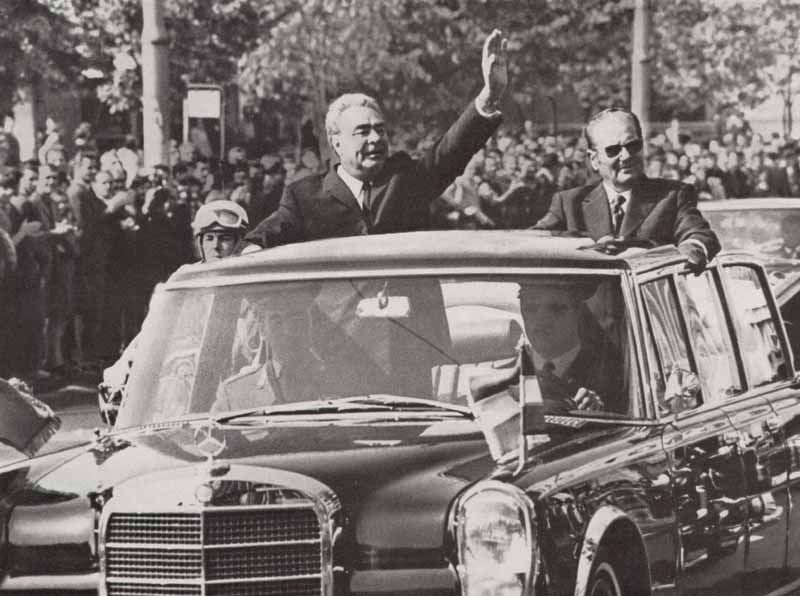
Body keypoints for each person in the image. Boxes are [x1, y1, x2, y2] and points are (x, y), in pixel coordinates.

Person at [244, 29, 508, 248]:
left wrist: (489, 96)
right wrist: (250, 250)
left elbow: (450, 152)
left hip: (408, 298)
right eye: (362, 131)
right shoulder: (303, 197)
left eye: (380, 130)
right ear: (336, 143)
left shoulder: (405, 180)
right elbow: (259, 242)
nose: (376, 139)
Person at [533, 107, 720, 274]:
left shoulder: (673, 195)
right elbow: (532, 242)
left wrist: (688, 252)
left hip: (649, 300)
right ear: (594, 160)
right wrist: (585, 247)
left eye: (633, 146)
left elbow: (699, 235)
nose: (626, 155)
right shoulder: (568, 203)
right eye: (613, 150)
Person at [518, 279, 624, 414]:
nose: (541, 318)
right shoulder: (507, 373)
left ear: (578, 312)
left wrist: (600, 413)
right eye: (530, 308)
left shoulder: (611, 374)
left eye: (556, 309)